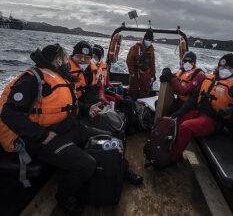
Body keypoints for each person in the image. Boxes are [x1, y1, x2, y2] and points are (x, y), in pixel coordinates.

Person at [0, 44, 103, 215]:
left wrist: (87, 109)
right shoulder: (34, 79)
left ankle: (122, 168)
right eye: (64, 59)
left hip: (63, 129)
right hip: (38, 139)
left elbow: (66, 107)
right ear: (57, 60)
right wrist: (42, 135)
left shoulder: (59, 78)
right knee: (86, 164)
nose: (67, 63)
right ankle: (64, 197)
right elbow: (9, 114)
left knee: (105, 137)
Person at [69, 41, 143, 185]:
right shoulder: (64, 71)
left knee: (119, 126)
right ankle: (122, 169)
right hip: (76, 116)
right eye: (79, 57)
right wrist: (87, 108)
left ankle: (120, 167)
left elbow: (97, 88)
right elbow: (66, 101)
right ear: (72, 56)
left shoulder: (92, 70)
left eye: (86, 58)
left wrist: (100, 102)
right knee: (113, 135)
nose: (83, 61)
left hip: (92, 109)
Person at [169, 53, 233, 161]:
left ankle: (173, 157)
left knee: (185, 126)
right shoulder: (209, 79)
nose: (224, 69)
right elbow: (193, 99)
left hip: (214, 120)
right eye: (222, 67)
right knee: (178, 119)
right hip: (199, 113)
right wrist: (182, 110)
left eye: (228, 68)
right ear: (218, 66)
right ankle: (170, 146)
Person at [126, 29, 156, 99]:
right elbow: (129, 60)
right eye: (147, 39)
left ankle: (142, 107)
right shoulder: (136, 47)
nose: (148, 41)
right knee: (133, 92)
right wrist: (132, 73)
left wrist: (153, 75)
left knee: (145, 93)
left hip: (146, 76)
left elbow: (152, 63)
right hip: (136, 74)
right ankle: (131, 105)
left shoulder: (152, 51)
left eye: (150, 40)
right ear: (144, 39)